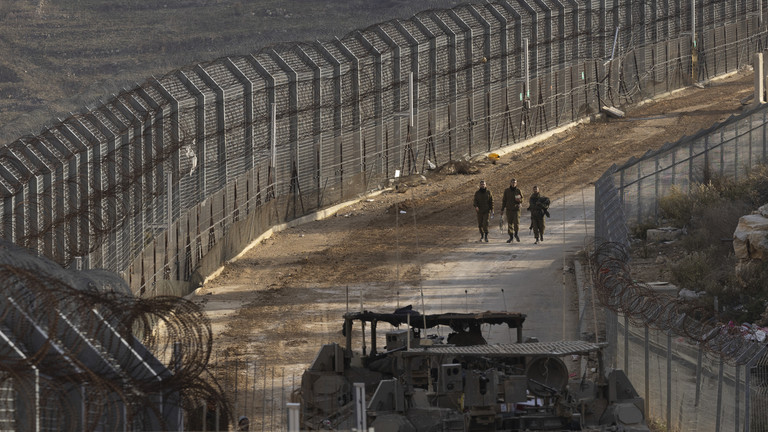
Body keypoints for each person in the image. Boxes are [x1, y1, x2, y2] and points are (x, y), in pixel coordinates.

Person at [501, 178, 524, 243]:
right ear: (510, 183)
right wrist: (502, 209)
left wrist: (520, 201)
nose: (513, 184)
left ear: (516, 183)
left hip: (516, 209)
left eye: (514, 182)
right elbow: (504, 200)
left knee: (516, 223)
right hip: (509, 209)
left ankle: (516, 234)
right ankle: (511, 237)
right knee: (510, 223)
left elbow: (522, 199)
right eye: (512, 182)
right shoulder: (507, 191)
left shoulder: (518, 190)